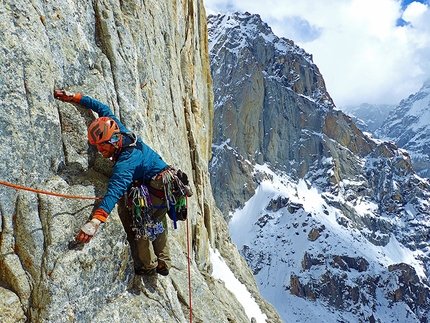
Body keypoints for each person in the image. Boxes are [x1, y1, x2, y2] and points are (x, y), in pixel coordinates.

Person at [54, 89, 171, 276]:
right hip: (166, 183)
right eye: (96, 146)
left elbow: (114, 192)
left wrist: (95, 222)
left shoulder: (125, 162)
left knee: (142, 223)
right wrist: (75, 97)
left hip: (156, 187)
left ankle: (148, 266)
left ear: (114, 141)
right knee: (158, 220)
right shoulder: (119, 130)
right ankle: (164, 261)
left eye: (102, 145)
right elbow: (103, 108)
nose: (99, 150)